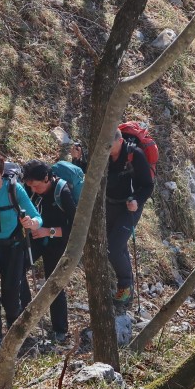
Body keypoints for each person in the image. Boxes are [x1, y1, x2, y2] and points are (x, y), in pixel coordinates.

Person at [72, 127, 154, 305]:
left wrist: (137, 201)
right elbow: (92, 173)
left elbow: (148, 185)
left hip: (129, 207)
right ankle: (125, 290)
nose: (107, 149)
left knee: (113, 248)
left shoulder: (135, 155)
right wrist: (77, 160)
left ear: (120, 141)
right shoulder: (103, 153)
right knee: (117, 245)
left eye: (111, 146)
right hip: (109, 204)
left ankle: (125, 288)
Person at [0, 150, 42, 357]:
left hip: (14, 247)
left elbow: (37, 217)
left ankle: (16, 336)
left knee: (12, 295)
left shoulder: (14, 188)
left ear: (1, 173)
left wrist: (31, 223)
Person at [19, 159, 77, 343]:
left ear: (46, 178)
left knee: (54, 284)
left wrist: (48, 231)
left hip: (57, 242)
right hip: (34, 238)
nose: (33, 190)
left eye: (36, 186)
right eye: (30, 186)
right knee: (17, 270)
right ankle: (24, 318)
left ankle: (60, 329)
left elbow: (75, 227)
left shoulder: (63, 192)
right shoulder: (30, 188)